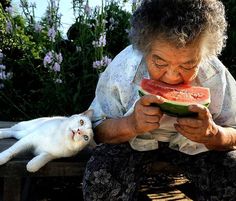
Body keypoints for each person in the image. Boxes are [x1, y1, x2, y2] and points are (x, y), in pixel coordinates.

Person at [82, 0, 236, 200]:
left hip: (196, 149)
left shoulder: (214, 74)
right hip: (132, 145)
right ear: (144, 48)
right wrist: (131, 124)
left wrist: (214, 134)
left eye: (188, 65)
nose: (172, 77)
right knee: (100, 179)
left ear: (204, 54)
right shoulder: (126, 68)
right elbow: (97, 130)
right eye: (159, 62)